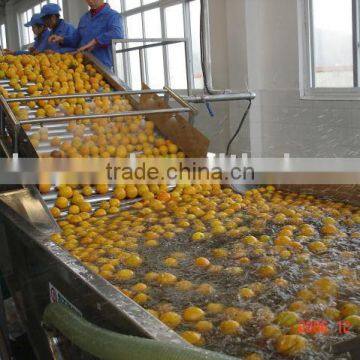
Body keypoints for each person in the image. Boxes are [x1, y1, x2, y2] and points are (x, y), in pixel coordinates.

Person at [49, 0, 124, 70]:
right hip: (82, 65)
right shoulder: (84, 18)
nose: (90, 1)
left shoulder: (113, 16)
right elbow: (75, 39)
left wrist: (95, 41)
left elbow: (117, 33)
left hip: (102, 66)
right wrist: (61, 39)